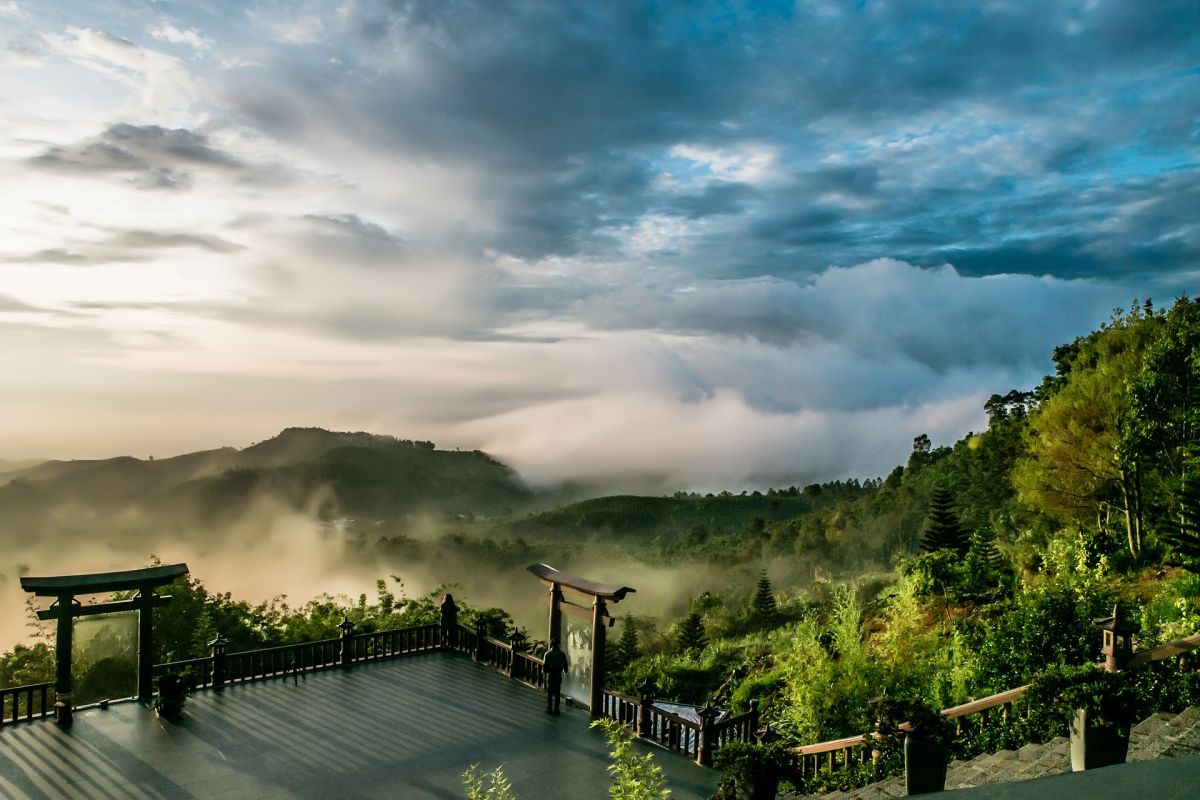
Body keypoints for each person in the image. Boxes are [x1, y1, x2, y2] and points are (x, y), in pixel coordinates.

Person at [543, 638, 569, 714]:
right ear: (558, 644)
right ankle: (556, 709)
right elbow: (565, 666)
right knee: (557, 692)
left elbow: (544, 666)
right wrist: (565, 671)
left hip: (550, 675)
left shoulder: (547, 654)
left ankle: (549, 708)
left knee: (549, 692)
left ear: (551, 645)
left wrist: (545, 673)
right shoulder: (562, 654)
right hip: (558, 674)